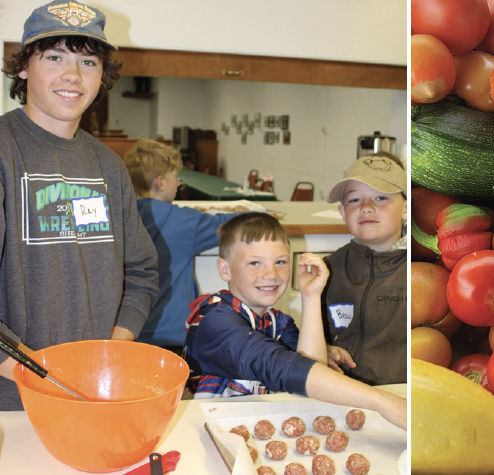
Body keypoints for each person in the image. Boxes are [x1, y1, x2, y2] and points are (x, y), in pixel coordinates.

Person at [0, 0, 159, 410]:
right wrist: (43, 378)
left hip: (98, 394)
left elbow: (141, 273)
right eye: (54, 56)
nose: (72, 75)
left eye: (88, 62)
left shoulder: (109, 166)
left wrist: (111, 355)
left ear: (102, 76)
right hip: (13, 403)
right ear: (24, 66)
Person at [184, 213, 406, 429]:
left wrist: (311, 297)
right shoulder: (213, 320)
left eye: (280, 261)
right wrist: (382, 402)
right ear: (225, 270)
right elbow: (281, 367)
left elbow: (312, 372)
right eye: (254, 263)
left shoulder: (279, 323)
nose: (271, 273)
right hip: (202, 432)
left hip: (252, 427)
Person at [124, 139, 245, 352]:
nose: (178, 184)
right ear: (160, 182)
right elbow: (231, 225)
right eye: (176, 178)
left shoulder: (122, 216)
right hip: (174, 337)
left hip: (130, 332)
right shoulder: (182, 221)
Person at [319, 154, 409, 385]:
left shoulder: (419, 269)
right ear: (342, 213)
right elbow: (318, 338)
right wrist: (325, 350)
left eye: (380, 197)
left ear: (406, 210)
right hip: (344, 394)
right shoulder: (329, 268)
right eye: (355, 200)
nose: (367, 207)